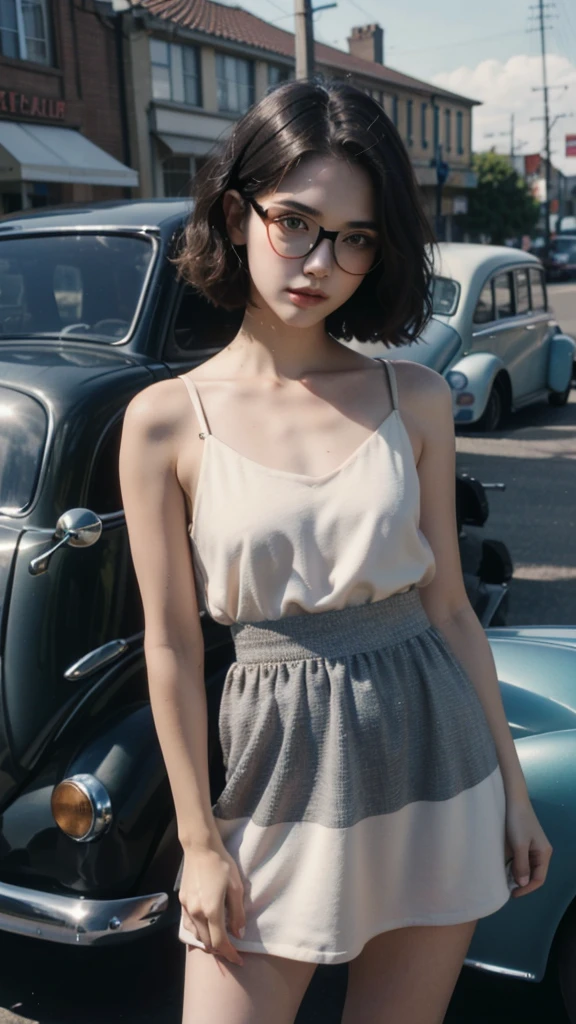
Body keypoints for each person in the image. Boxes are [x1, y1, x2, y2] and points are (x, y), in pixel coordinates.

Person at [119, 79, 552, 1024]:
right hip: (277, 765)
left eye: (356, 238)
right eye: (297, 223)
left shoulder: (416, 397)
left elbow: (447, 609)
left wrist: (516, 796)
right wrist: (197, 840)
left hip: (438, 757)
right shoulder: (164, 421)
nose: (321, 261)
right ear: (238, 215)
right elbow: (172, 645)